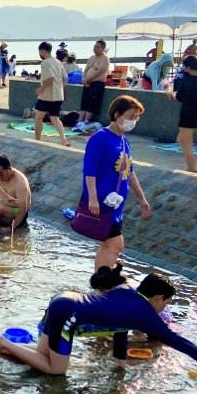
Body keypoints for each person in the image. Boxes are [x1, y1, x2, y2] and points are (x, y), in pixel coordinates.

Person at [0, 268, 197, 376]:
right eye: (166, 302)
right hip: (69, 315)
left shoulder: (127, 292)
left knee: (39, 357)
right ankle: (1, 340)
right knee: (56, 370)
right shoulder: (146, 314)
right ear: (159, 298)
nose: (164, 308)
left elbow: (120, 328)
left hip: (63, 300)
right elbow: (181, 343)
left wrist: (120, 362)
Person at [81, 95, 152, 269]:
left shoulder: (123, 141)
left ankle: (100, 281)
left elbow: (129, 172)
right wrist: (92, 198)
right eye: (130, 117)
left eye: (136, 118)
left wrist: (142, 199)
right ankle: (102, 284)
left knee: (109, 244)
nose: (133, 121)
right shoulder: (100, 138)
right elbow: (90, 170)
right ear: (117, 114)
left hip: (116, 204)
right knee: (115, 245)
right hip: (103, 201)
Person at [172, 56, 197, 173]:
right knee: (181, 139)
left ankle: (192, 168)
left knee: (186, 142)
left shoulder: (187, 80)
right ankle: (190, 166)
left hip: (188, 113)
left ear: (188, 67)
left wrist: (171, 94)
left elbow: (180, 97)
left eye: (185, 67)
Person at [33, 41, 70, 146]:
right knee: (55, 118)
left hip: (46, 96)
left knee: (38, 117)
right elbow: (64, 78)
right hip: (58, 95)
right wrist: (61, 89)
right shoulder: (58, 62)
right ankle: (63, 139)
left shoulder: (45, 63)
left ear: (43, 51)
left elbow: (50, 79)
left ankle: (37, 139)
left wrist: (40, 89)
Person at [0, 155, 31, 229]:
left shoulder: (20, 182)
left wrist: (12, 227)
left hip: (16, 211)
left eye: (1, 174)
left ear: (9, 169)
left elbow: (23, 207)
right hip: (2, 207)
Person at [79, 39, 110, 124]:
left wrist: (89, 79)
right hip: (87, 83)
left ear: (103, 48)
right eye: (95, 47)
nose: (95, 48)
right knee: (84, 101)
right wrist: (84, 79)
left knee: (92, 103)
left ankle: (86, 120)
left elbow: (100, 71)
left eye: (98, 47)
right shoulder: (92, 57)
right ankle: (80, 119)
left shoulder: (105, 59)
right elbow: (86, 69)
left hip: (97, 83)